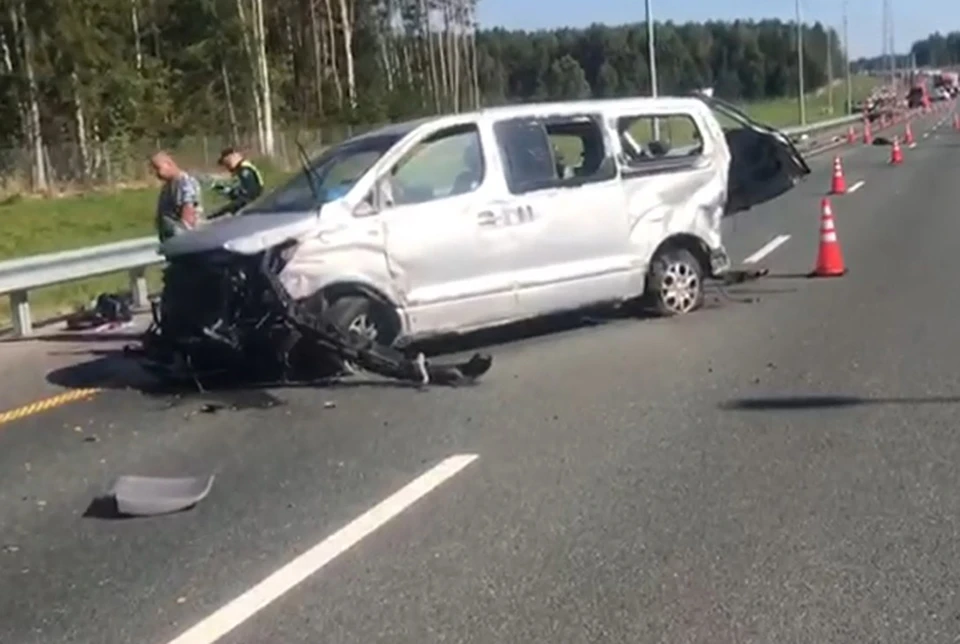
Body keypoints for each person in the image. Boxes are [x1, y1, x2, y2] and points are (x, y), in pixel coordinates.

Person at [151, 151, 204, 242]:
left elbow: (188, 210)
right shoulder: (168, 186)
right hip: (170, 238)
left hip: (182, 240)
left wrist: (184, 237)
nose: (156, 173)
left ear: (169, 164)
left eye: (158, 168)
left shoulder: (184, 183)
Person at [214, 147, 264, 213]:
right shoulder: (241, 169)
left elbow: (250, 194)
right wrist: (227, 191)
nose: (226, 167)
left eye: (226, 163)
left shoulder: (244, 169)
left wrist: (227, 209)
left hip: (254, 209)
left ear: (232, 157)